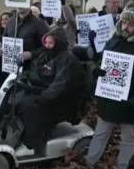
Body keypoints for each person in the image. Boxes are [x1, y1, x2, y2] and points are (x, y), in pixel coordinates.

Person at [84, 9, 134, 169]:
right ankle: (90, 162)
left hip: (130, 102)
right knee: (101, 132)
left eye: (130, 24)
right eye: (123, 22)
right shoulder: (113, 42)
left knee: (128, 137)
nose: (125, 27)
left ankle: (121, 167)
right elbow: (101, 62)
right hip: (109, 98)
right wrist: (97, 71)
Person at [13, 27, 85, 157]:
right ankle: (16, 134)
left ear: (59, 42)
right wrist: (25, 77)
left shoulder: (68, 60)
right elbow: (37, 72)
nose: (47, 45)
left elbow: (60, 85)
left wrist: (43, 98)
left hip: (60, 100)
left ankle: (30, 145)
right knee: (17, 100)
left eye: (51, 43)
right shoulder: (46, 55)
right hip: (43, 92)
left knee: (31, 107)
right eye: (46, 42)